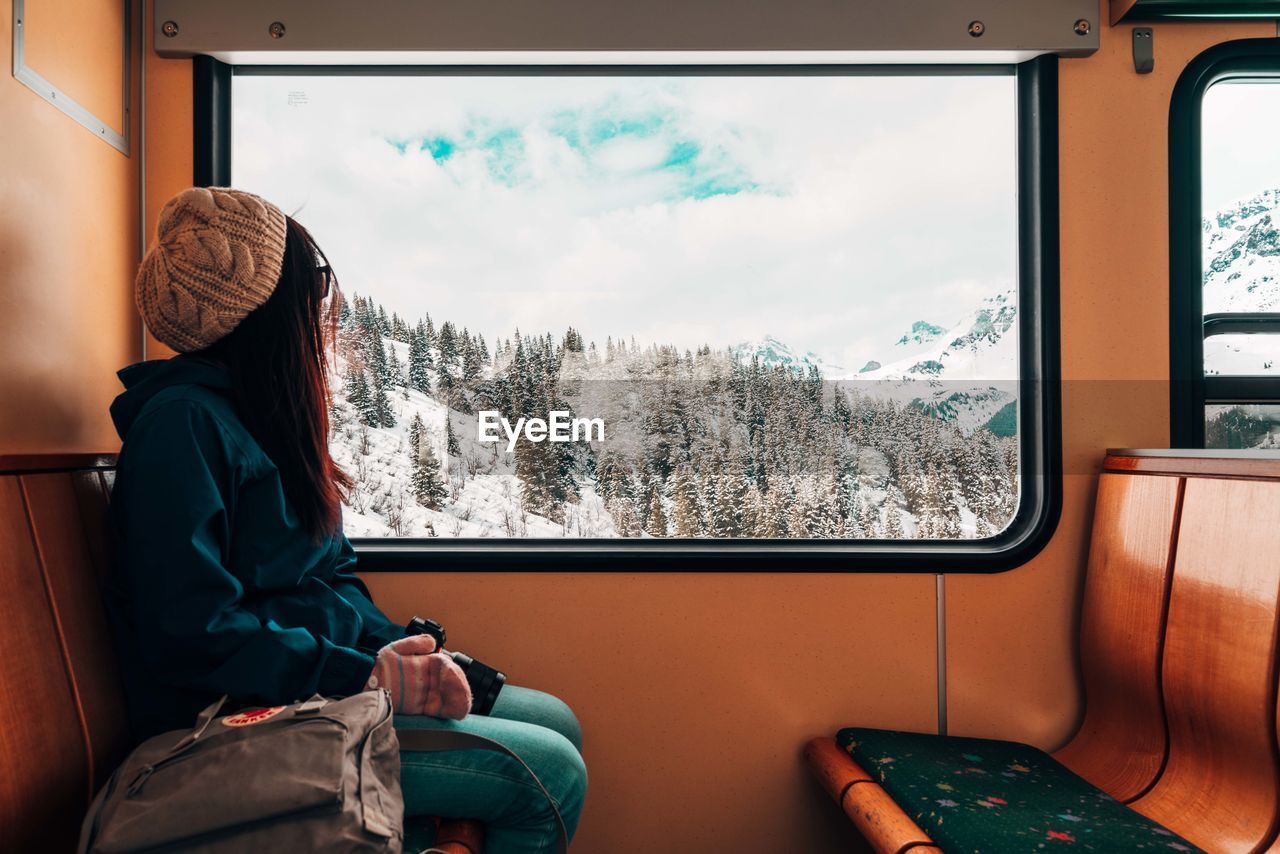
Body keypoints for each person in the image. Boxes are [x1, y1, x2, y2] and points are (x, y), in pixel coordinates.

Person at [107, 186, 586, 853]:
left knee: (556, 721)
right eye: (313, 284)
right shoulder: (181, 429)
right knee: (551, 775)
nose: (321, 304)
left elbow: (326, 582)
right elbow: (190, 632)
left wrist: (398, 651)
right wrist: (363, 676)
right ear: (269, 309)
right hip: (230, 723)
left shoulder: (258, 421)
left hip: (306, 692)